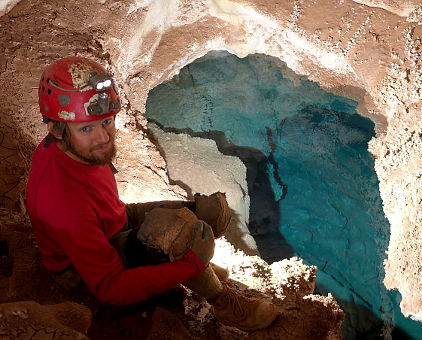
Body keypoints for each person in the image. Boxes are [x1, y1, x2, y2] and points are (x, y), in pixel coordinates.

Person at [25, 56, 278, 331]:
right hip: (81, 268)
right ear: (56, 130)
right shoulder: (63, 206)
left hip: (113, 219)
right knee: (183, 239)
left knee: (209, 211)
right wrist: (189, 265)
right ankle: (226, 303)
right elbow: (110, 288)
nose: (104, 138)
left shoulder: (73, 146)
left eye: (107, 121)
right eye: (86, 128)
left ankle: (197, 267)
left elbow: (101, 200)